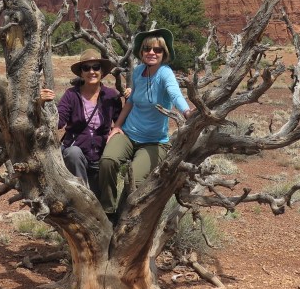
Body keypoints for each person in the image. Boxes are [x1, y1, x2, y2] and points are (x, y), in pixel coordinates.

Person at [98, 28, 193, 216]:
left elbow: (175, 94)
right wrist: (117, 126)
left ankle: (123, 216)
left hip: (154, 141)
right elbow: (131, 102)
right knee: (107, 161)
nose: (152, 53)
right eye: (147, 49)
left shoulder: (165, 73)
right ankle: (108, 210)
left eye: (157, 50)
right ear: (141, 52)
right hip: (128, 133)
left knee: (133, 180)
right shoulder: (139, 71)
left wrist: (187, 111)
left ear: (164, 53)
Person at [40, 49, 123, 194]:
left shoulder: (111, 96)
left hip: (101, 156)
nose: (92, 71)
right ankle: (83, 195)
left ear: (102, 71)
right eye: (86, 68)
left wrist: (130, 99)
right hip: (77, 157)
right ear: (81, 73)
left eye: (96, 67)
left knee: (102, 202)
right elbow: (57, 122)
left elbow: (122, 122)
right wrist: (40, 104)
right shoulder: (71, 95)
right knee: (73, 152)